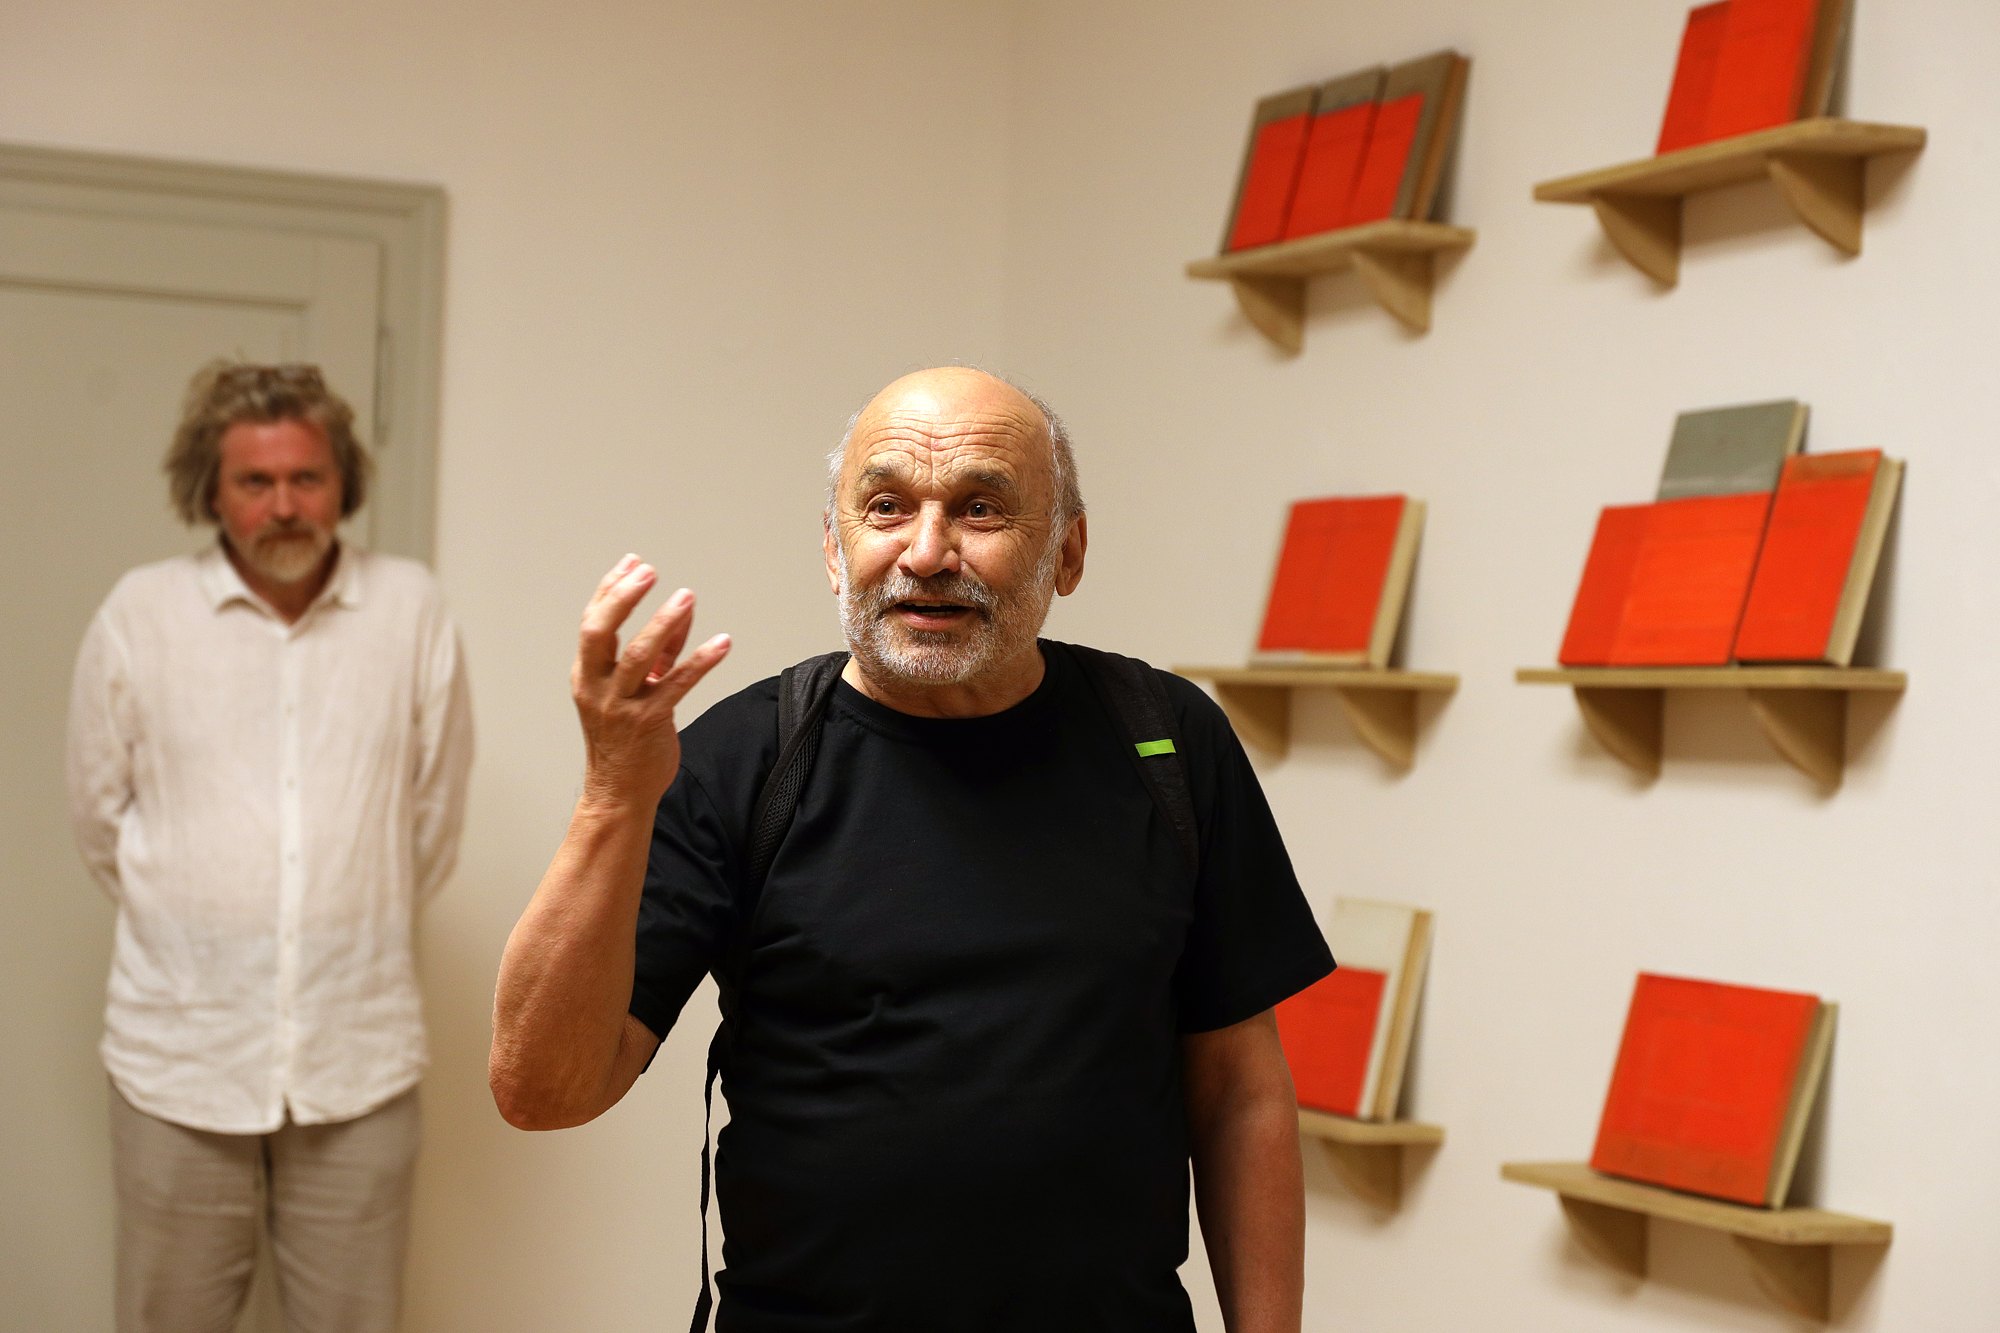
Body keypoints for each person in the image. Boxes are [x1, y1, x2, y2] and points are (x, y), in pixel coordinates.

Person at [491, 367, 1332, 1332]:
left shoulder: (1167, 740)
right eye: (886, 506)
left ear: (1067, 551)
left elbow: (1240, 1093)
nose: (927, 552)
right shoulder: (746, 760)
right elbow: (541, 1091)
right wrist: (611, 796)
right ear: (833, 546)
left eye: (981, 509)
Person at [66, 361, 474, 1333]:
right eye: (256, 481)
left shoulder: (410, 609)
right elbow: (99, 820)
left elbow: (431, 819)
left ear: (342, 483)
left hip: (358, 1059)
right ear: (210, 490)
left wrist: (343, 906)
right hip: (179, 1061)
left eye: (306, 478)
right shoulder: (139, 614)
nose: (284, 505)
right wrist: (205, 915)